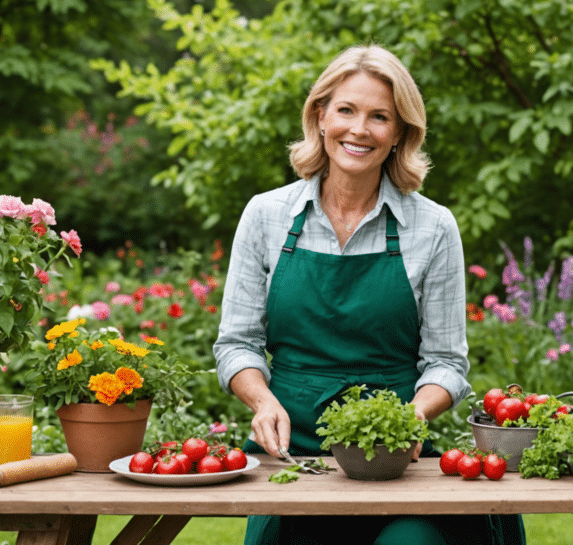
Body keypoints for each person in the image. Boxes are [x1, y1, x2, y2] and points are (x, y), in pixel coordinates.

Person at [214, 44, 526, 545]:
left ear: (400, 132)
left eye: (379, 116)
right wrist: (262, 400)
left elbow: (447, 362)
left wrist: (411, 417)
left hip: (398, 456)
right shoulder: (266, 216)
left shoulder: (434, 226)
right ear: (320, 116)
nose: (359, 129)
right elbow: (237, 344)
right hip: (295, 455)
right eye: (346, 110)